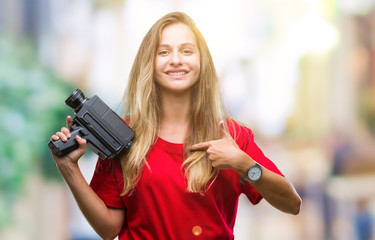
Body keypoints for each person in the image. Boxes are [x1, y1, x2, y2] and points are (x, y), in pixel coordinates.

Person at [50, 11, 301, 240]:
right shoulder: (121, 135)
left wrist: (243, 164)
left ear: (202, 63)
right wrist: (69, 169)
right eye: (164, 52)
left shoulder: (232, 136)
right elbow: (108, 229)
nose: (176, 60)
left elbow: (292, 204)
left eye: (187, 51)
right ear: (150, 63)